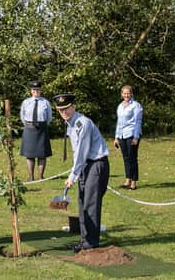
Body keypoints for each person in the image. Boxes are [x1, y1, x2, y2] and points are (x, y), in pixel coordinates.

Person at [54, 93, 110, 252]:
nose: (63, 112)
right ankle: (84, 239)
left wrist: (73, 175)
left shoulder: (82, 124)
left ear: (73, 106)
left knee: (90, 204)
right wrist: (75, 172)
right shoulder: (71, 123)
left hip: (95, 164)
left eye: (66, 109)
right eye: (60, 110)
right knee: (82, 202)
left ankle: (91, 242)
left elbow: (82, 151)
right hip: (86, 165)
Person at [19, 80, 52, 181]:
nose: (36, 91)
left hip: (42, 129)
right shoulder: (26, 102)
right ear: (31, 91)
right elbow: (22, 116)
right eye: (34, 90)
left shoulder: (45, 102)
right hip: (29, 128)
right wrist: (29, 125)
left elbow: (49, 117)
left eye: (38, 89)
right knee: (30, 154)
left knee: (42, 154)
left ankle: (41, 176)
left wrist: (42, 125)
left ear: (40, 90)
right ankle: (31, 177)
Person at [114, 85, 143, 190]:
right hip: (122, 135)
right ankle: (127, 179)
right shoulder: (120, 106)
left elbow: (137, 122)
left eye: (128, 93)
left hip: (131, 134)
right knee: (126, 158)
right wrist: (116, 137)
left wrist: (136, 137)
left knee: (132, 159)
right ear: (121, 94)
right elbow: (119, 122)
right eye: (124, 93)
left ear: (131, 94)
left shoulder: (136, 106)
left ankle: (134, 182)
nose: (126, 95)